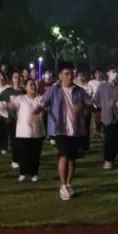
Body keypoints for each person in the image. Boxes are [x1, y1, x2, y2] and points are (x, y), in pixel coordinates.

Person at [40, 63, 90, 201]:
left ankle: (68, 184)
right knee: (64, 155)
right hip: (59, 129)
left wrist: (81, 107)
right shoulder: (53, 90)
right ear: (60, 76)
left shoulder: (79, 91)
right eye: (66, 74)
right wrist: (38, 111)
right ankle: (62, 186)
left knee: (72, 159)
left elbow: (91, 104)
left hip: (76, 129)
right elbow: (43, 103)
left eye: (71, 74)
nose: (70, 76)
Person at [9, 77, 46, 182]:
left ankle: (34, 173)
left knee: (35, 154)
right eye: (30, 85)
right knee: (24, 154)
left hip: (38, 132)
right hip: (23, 132)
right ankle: (23, 173)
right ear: (25, 87)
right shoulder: (21, 98)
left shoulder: (40, 99)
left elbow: (46, 108)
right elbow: (11, 105)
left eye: (34, 84)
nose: (33, 86)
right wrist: (9, 104)